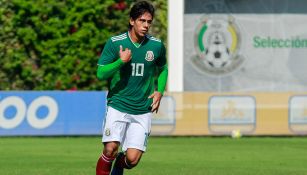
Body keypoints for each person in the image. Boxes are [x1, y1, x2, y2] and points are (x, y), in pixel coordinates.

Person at [95, 1, 168, 175]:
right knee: (110, 149)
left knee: (132, 160)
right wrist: (121, 61)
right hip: (118, 104)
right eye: (142, 21)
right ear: (132, 21)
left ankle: (120, 165)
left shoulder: (156, 45)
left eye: (149, 22)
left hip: (142, 109)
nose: (146, 25)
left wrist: (160, 91)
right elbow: (100, 74)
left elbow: (163, 68)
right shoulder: (115, 43)